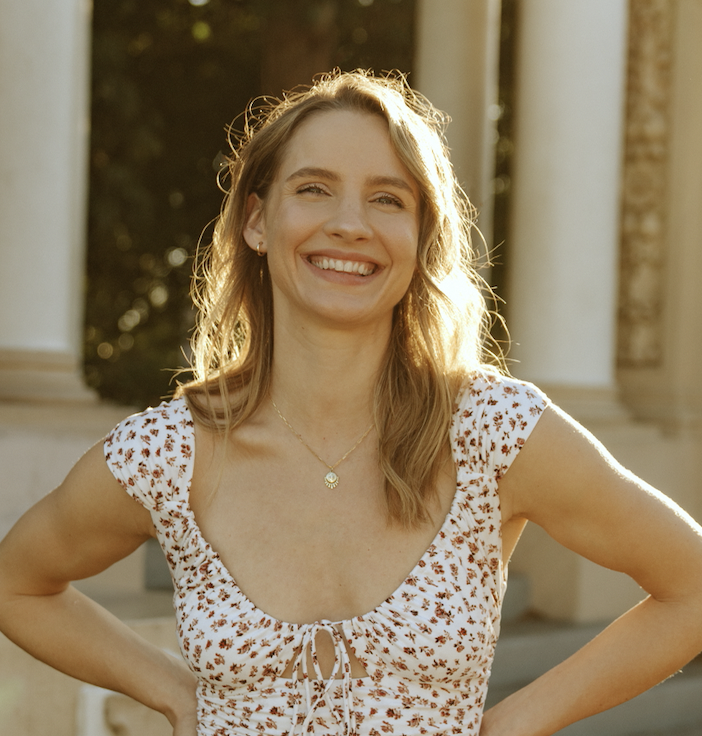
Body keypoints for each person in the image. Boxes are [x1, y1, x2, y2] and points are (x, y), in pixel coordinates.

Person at [1, 69, 701, 736]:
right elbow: (16, 583)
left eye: (388, 199)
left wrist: (517, 723)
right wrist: (172, 691)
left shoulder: (492, 431)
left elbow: (691, 586)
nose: (349, 224)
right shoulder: (168, 454)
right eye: (314, 189)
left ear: (420, 236)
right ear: (256, 221)